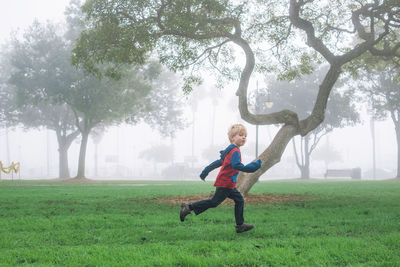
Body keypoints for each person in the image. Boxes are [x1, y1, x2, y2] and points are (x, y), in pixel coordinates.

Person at [180, 124, 262, 233]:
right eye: (241, 135)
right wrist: (253, 167)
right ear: (232, 137)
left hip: (227, 183)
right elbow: (236, 165)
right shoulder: (235, 151)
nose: (244, 137)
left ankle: (240, 225)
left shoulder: (230, 149)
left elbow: (219, 162)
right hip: (226, 183)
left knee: (239, 200)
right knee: (214, 202)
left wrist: (205, 171)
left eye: (245, 136)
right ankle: (189, 207)